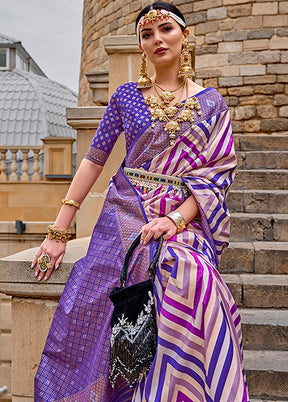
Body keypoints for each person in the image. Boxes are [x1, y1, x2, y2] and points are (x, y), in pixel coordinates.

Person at [33, 2, 249, 401]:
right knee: (100, 286)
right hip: (126, 208)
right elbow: (93, 161)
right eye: (146, 35)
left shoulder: (212, 104)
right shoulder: (126, 97)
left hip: (182, 213)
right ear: (141, 48)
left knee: (191, 275)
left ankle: (178, 390)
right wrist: (58, 231)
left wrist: (177, 220)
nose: (156, 39)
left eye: (165, 29)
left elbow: (217, 174)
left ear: (185, 36)